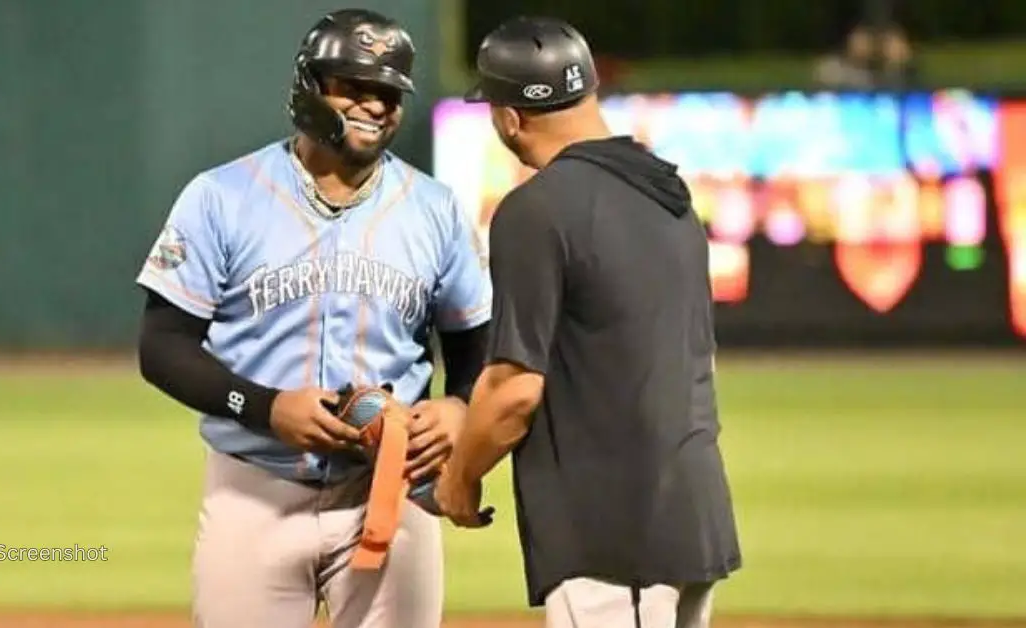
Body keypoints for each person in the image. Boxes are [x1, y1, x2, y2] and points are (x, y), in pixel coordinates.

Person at [133, 8, 491, 628]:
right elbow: (162, 346)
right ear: (309, 87)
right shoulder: (222, 196)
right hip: (252, 492)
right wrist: (264, 406)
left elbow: (476, 344)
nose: (375, 106)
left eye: (388, 93)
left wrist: (460, 406)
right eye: (355, 86)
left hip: (388, 493)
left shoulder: (434, 209)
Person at [433, 15, 743, 628]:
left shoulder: (536, 210)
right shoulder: (670, 198)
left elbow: (514, 388)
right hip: (692, 508)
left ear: (510, 117)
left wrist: (460, 476)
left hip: (611, 534)